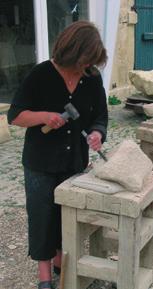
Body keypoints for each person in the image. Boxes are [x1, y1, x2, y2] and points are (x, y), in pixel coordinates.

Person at [7, 20, 108, 289]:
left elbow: (99, 114)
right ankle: (44, 279)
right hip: (40, 163)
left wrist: (98, 132)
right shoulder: (41, 74)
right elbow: (15, 116)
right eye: (85, 60)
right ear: (72, 51)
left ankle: (61, 265)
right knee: (42, 216)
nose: (87, 67)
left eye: (91, 62)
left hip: (74, 159)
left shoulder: (92, 77)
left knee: (67, 216)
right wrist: (45, 116)